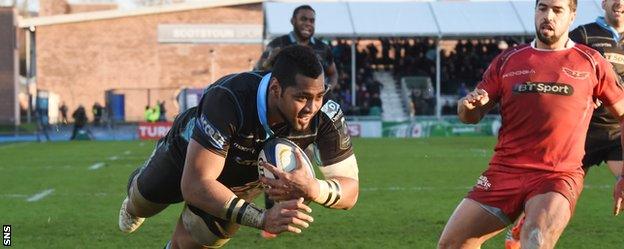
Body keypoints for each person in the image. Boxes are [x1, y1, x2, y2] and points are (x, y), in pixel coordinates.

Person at [118, 46, 360, 249]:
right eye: (301, 98)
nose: (312, 107)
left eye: (318, 96)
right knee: (143, 201)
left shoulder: (326, 114)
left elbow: (351, 191)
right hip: (188, 155)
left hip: (241, 179)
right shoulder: (229, 97)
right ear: (276, 89)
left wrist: (313, 188)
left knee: (198, 241)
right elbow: (194, 185)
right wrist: (263, 218)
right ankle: (134, 196)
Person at [438, 0, 624, 248]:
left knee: (535, 239)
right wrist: (466, 106)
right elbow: (470, 114)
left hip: (557, 176)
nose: (548, 15)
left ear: (572, 15)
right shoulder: (508, 60)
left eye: (557, 10)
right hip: (504, 172)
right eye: (542, 8)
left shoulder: (591, 61)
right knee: (451, 243)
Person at [505, 1, 624, 248]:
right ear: (603, 3)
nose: (620, 3)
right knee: (555, 195)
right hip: (581, 133)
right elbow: (555, 62)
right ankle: (525, 224)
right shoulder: (584, 34)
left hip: (616, 132)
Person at [254, 5, 338, 93]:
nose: (308, 23)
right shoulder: (278, 44)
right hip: (284, 102)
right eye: (303, 19)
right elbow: (257, 71)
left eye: (312, 21)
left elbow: (333, 74)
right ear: (293, 21)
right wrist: (269, 60)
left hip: (315, 103)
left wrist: (328, 89)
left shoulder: (323, 48)